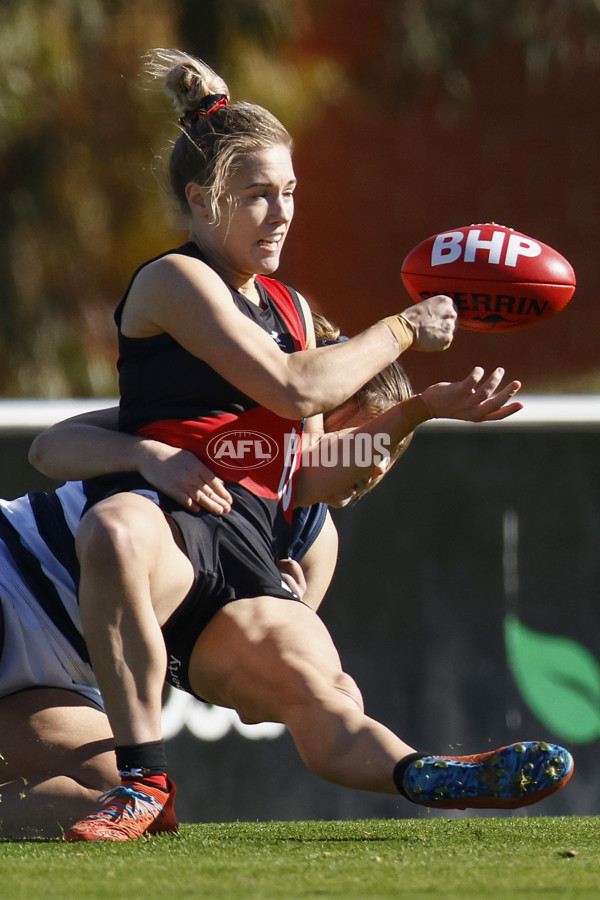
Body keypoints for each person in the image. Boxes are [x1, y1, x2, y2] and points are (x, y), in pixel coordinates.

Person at [13, 48, 573, 841]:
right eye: (259, 197)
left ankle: (429, 774)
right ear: (203, 200)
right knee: (114, 532)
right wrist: (407, 326)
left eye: (291, 194)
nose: (282, 215)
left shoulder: (293, 308)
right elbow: (294, 387)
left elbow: (308, 473)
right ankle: (147, 779)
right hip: (169, 524)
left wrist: (419, 410)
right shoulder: (176, 281)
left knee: (323, 694)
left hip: (236, 543)